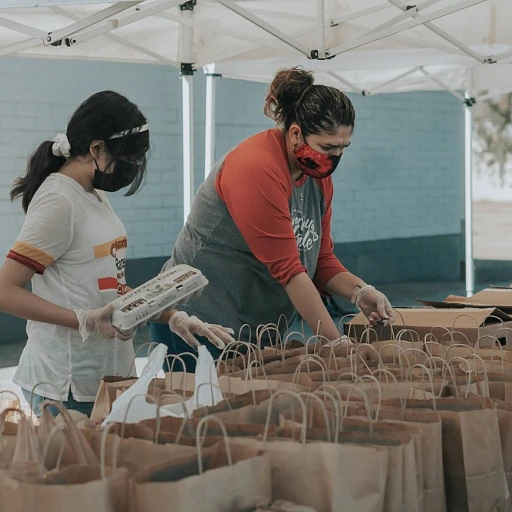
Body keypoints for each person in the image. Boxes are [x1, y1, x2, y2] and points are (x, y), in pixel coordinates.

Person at [0, 91, 234, 418]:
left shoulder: (91, 195)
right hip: (66, 383)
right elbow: (6, 291)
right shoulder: (58, 201)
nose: (132, 169)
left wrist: (169, 314)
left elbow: (109, 290)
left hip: (108, 375)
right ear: (96, 148)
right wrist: (81, 319)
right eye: (129, 160)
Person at [150, 67, 395, 372]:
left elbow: (319, 258)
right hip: (198, 323)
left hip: (253, 330)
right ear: (295, 133)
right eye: (328, 147)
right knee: (203, 414)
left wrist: (360, 291)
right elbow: (290, 271)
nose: (335, 158)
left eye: (343, 148)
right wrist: (336, 342)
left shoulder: (317, 176)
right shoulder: (256, 169)